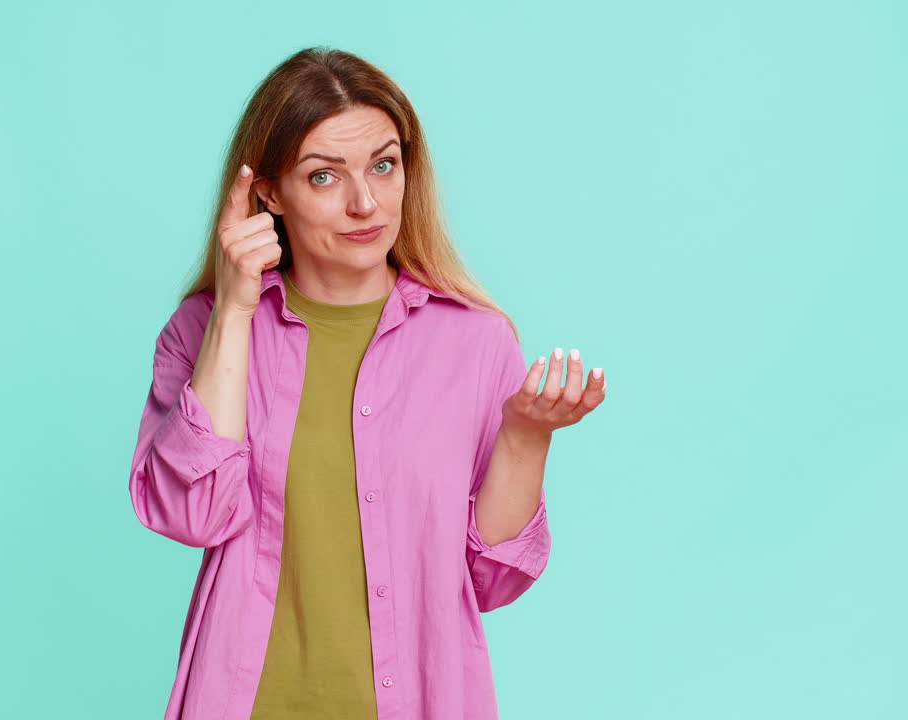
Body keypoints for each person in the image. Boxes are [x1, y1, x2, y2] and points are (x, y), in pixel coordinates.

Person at [129, 46, 607, 720]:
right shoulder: (202, 329)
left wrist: (526, 438)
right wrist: (236, 309)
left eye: (383, 166)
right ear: (269, 192)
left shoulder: (475, 340)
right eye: (324, 177)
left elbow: (490, 581)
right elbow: (191, 514)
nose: (365, 203)